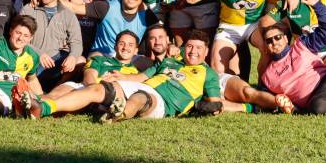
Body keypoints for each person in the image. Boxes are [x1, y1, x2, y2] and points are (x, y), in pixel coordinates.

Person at [20, 30, 223, 121]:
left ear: (206, 51)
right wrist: (119, 78)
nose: (193, 51)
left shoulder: (209, 74)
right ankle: (43, 107)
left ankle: (118, 114)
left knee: (140, 98)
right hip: (143, 86)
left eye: (198, 48)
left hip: (160, 101)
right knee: (98, 88)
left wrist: (198, 105)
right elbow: (141, 78)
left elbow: (215, 103)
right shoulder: (168, 62)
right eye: (189, 46)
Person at [17, 0, 84, 90]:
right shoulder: (29, 9)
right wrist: (39, 53)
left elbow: (77, 41)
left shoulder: (67, 14)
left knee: (80, 60)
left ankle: (55, 91)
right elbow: (19, 39)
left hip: (56, 60)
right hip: (32, 59)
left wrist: (72, 57)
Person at [69, 0, 159, 55]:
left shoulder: (147, 15)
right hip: (102, 57)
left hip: (128, 60)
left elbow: (160, 35)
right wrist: (54, 2)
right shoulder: (106, 7)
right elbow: (73, 8)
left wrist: (170, 45)